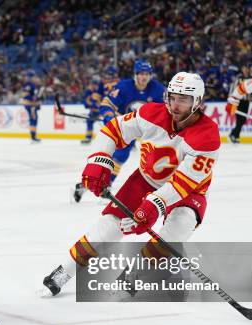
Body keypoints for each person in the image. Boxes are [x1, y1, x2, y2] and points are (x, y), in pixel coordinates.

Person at [44, 72, 220, 296]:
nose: (175, 105)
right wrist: (99, 161)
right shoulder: (150, 113)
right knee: (108, 227)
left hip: (188, 191)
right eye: (172, 97)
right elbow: (113, 130)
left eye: (183, 99)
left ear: (197, 102)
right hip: (144, 181)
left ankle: (134, 273)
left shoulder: (208, 135)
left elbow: (182, 183)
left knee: (179, 226)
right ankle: (63, 271)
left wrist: (153, 206)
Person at [73, 60, 165, 203]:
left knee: (123, 157)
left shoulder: (158, 90)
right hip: (123, 127)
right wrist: (109, 116)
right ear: (135, 75)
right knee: (111, 156)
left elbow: (166, 110)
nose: (144, 77)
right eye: (141, 73)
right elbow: (106, 103)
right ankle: (90, 183)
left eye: (147, 74)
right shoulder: (123, 87)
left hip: (143, 129)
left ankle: (90, 185)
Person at [227, 65, 252, 144]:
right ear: (242, 69)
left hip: (246, 101)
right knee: (240, 119)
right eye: (244, 68)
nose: (246, 70)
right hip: (238, 101)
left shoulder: (251, 79)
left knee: (243, 120)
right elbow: (233, 87)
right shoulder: (239, 78)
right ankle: (235, 135)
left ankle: (234, 134)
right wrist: (231, 98)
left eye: (247, 68)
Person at [81, 75, 104, 144]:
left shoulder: (101, 91)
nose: (94, 85)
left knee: (108, 123)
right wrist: (91, 105)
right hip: (94, 112)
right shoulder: (88, 91)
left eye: (95, 84)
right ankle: (88, 137)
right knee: (89, 122)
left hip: (103, 110)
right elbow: (86, 104)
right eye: (93, 84)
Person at [21, 69, 41, 142]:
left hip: (31, 104)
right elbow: (25, 95)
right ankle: (33, 136)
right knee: (33, 118)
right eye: (33, 76)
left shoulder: (31, 84)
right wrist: (33, 100)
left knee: (34, 118)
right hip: (30, 104)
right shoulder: (29, 84)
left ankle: (33, 136)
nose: (35, 77)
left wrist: (37, 99)